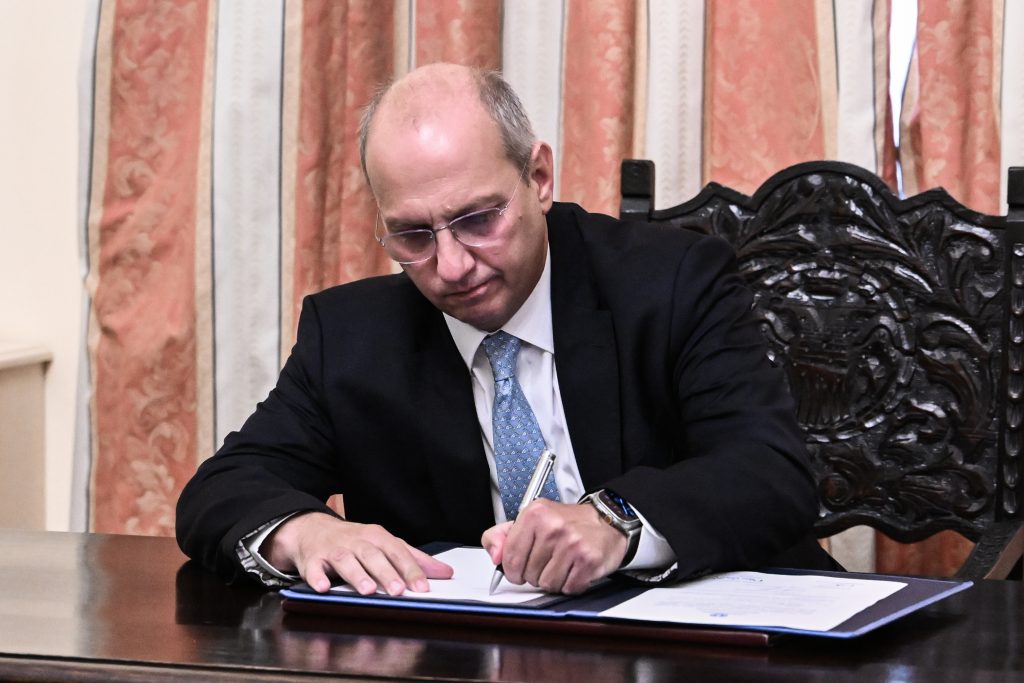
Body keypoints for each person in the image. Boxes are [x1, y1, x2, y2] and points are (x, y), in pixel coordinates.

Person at [176, 63, 838, 596]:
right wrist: (303, 531)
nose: (452, 266)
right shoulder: (350, 336)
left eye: (477, 219)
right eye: (413, 235)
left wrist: (618, 522)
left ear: (539, 178)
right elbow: (222, 487)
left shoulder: (671, 282)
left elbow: (769, 471)